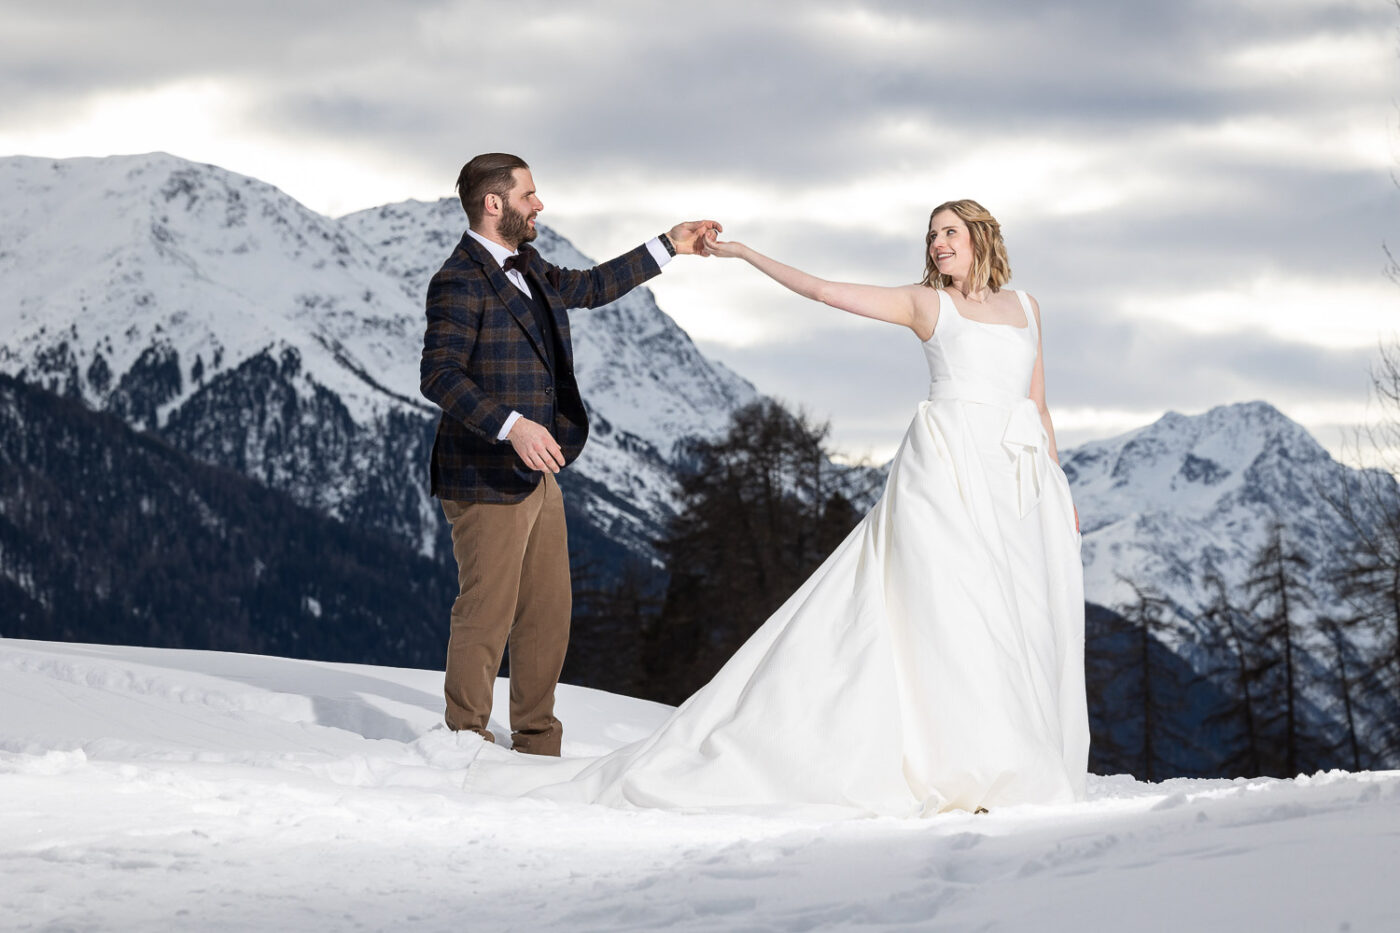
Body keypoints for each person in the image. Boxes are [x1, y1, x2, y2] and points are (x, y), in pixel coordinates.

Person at [465, 199, 1088, 816]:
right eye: (931, 236)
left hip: (1020, 478)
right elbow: (822, 290)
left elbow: (1037, 406)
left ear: (980, 236)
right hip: (948, 471)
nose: (937, 245)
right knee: (956, 611)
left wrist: (1058, 487)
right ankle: (967, 766)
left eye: (949, 232)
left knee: (1021, 612)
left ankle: (1017, 756)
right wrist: (742, 253)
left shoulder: (1027, 308)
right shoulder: (927, 303)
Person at [419, 152, 719, 756]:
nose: (540, 204)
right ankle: (463, 741)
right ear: (494, 203)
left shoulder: (527, 266)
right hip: (484, 474)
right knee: (488, 611)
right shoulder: (458, 279)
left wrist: (670, 244)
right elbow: (439, 376)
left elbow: (590, 287)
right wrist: (513, 427)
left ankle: (537, 743)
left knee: (549, 613)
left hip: (537, 473)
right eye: (529, 194)